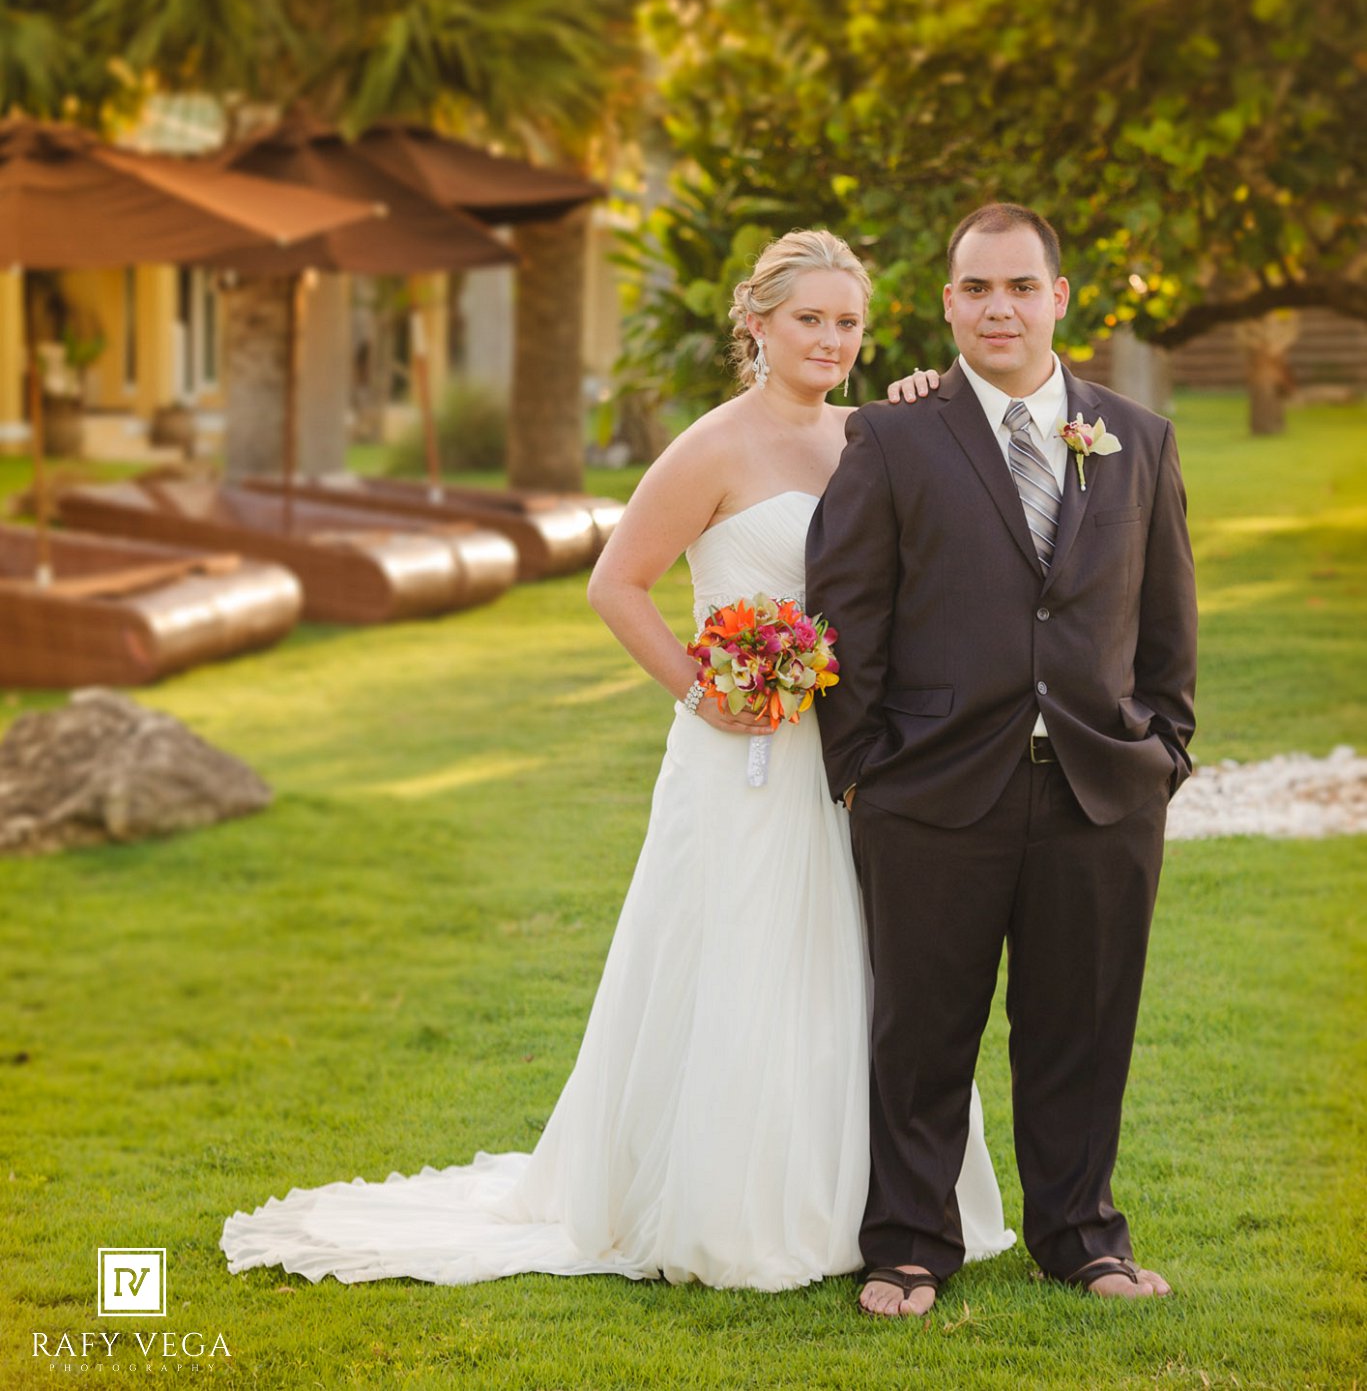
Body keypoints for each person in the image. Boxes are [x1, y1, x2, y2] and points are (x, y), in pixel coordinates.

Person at [220, 228, 1014, 1291]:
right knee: (744, 961)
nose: (832, 339)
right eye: (808, 319)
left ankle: (871, 1206)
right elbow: (614, 584)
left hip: (856, 749)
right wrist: (705, 690)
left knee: (864, 973)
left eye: (848, 322)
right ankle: (729, 1209)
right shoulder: (711, 448)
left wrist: (929, 393)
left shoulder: (873, 435)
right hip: (739, 757)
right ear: (755, 325)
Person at [808, 203, 1197, 1320]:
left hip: (1099, 788)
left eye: (1019, 287)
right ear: (946, 304)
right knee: (920, 1030)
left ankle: (1080, 1236)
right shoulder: (889, 438)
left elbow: (1167, 622)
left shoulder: (1137, 436)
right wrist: (863, 769)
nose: (998, 308)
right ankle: (909, 1245)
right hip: (929, 788)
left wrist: (1159, 748)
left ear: (1058, 298)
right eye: (975, 289)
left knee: (1082, 1027)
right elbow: (847, 614)